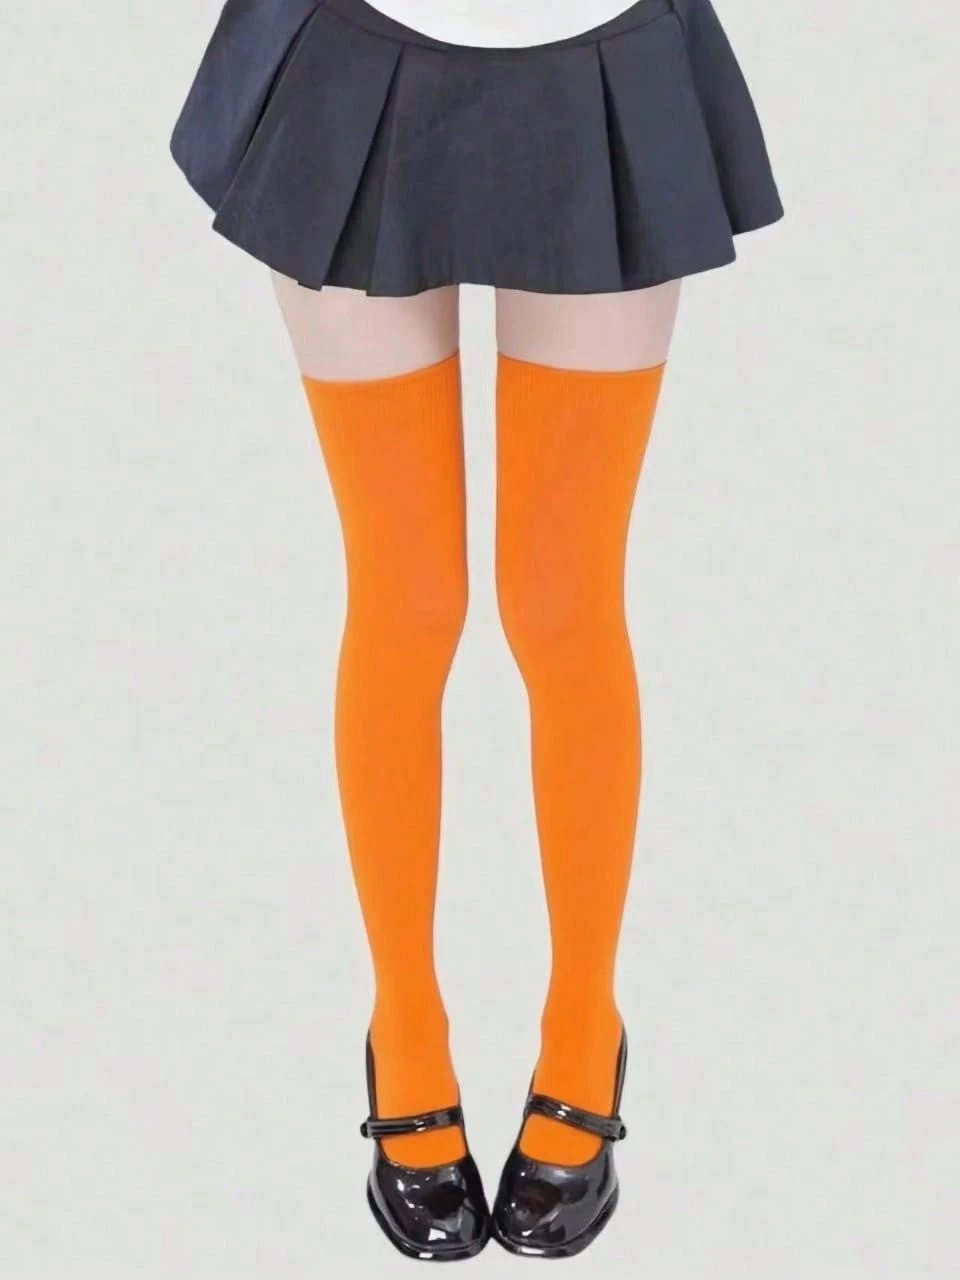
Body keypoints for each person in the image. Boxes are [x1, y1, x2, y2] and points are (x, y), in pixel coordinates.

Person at [170, 0, 783, 1259]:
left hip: (601, 42)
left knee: (562, 601)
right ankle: (406, 1023)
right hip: (354, 48)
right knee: (408, 599)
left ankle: (583, 1024)